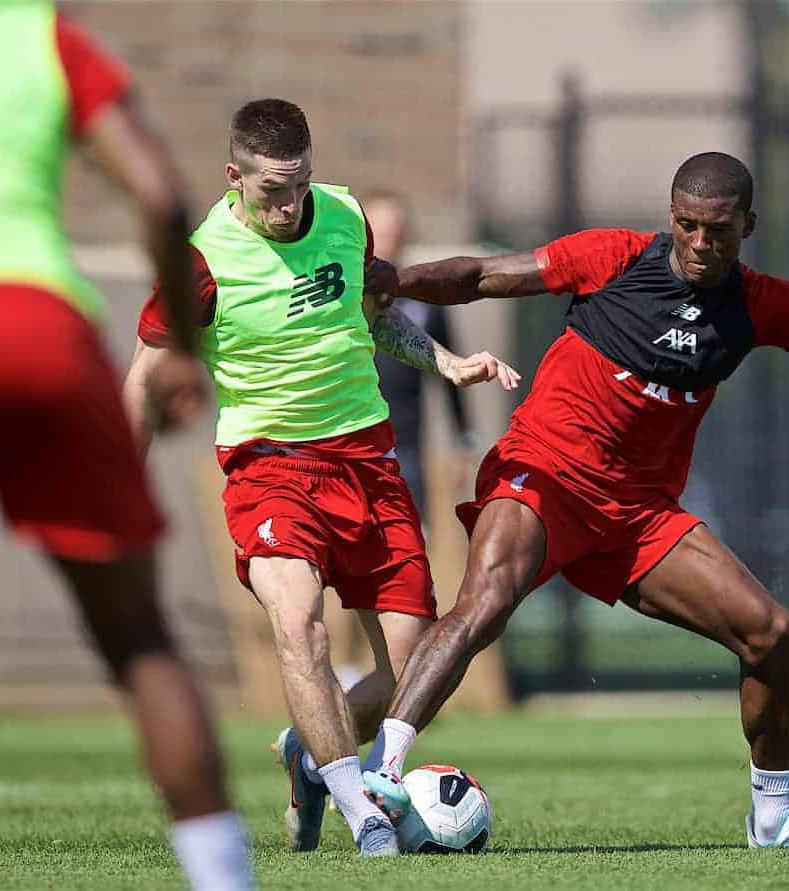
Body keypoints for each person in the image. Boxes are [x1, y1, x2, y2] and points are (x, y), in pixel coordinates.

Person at [361, 152, 789, 850]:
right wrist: (397, 279)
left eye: (719, 230)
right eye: (688, 225)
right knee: (484, 601)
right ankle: (382, 772)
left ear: (748, 226)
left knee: (771, 632)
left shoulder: (760, 303)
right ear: (670, 217)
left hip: (639, 513)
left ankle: (773, 823)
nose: (702, 244)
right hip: (545, 473)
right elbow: (484, 275)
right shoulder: (613, 256)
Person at [0, 4, 254, 889]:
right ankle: (222, 879)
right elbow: (160, 195)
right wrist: (182, 344)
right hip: (43, 329)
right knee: (140, 639)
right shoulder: (40, 35)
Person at [123, 99, 519, 856]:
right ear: (233, 177)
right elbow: (144, 380)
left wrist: (445, 361)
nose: (289, 202)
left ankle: (309, 757)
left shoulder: (344, 214)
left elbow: (372, 316)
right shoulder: (201, 261)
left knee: (413, 669)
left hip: (368, 461)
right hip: (267, 465)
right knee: (298, 621)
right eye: (272, 188)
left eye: (300, 182)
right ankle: (362, 811)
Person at [369, 192, 478, 516]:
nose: (388, 239)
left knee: (412, 542)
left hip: (406, 447)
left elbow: (451, 370)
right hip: (349, 442)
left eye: (394, 231)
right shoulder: (340, 293)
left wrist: (463, 442)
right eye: (379, 231)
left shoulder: (422, 298)